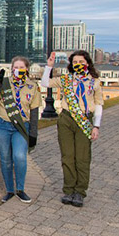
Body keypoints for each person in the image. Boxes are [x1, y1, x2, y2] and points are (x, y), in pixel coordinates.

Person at [41, 51, 103, 208]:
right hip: (66, 119)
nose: (78, 64)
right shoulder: (66, 79)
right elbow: (45, 83)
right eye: (75, 61)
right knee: (67, 157)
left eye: (81, 61)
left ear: (87, 63)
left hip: (84, 120)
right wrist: (49, 66)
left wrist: (96, 125)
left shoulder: (94, 81)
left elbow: (99, 104)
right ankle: (68, 190)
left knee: (82, 158)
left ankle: (80, 192)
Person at [0, 57, 42, 203]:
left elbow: (34, 113)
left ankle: (20, 189)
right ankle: (9, 190)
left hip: (21, 126)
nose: (18, 70)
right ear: (11, 68)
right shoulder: (5, 83)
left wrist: (33, 134)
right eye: (16, 67)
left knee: (19, 156)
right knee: (6, 159)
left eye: (21, 67)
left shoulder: (32, 87)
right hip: (2, 124)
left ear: (26, 69)